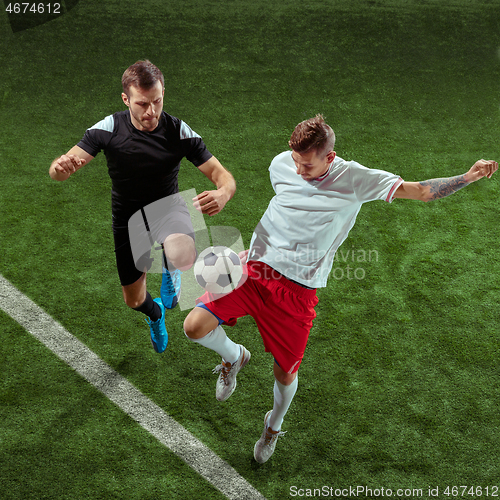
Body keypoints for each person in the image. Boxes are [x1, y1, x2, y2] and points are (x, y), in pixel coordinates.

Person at [183, 114, 497, 463]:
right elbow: (286, 211)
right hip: (253, 272)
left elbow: (421, 191)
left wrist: (467, 176)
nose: (298, 170)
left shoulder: (356, 179)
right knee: (194, 327)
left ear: (329, 157)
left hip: (296, 292)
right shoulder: (282, 165)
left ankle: (273, 425)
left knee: (285, 372)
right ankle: (234, 356)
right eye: (296, 162)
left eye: (307, 165)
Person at [49, 60, 236, 353]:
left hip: (168, 209)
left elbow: (222, 176)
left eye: (157, 101)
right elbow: (58, 171)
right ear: (126, 99)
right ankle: (156, 313)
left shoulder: (177, 130)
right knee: (134, 300)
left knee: (183, 254)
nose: (151, 111)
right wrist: (60, 167)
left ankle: (172, 268)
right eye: (142, 104)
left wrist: (223, 193)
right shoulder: (108, 128)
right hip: (127, 218)